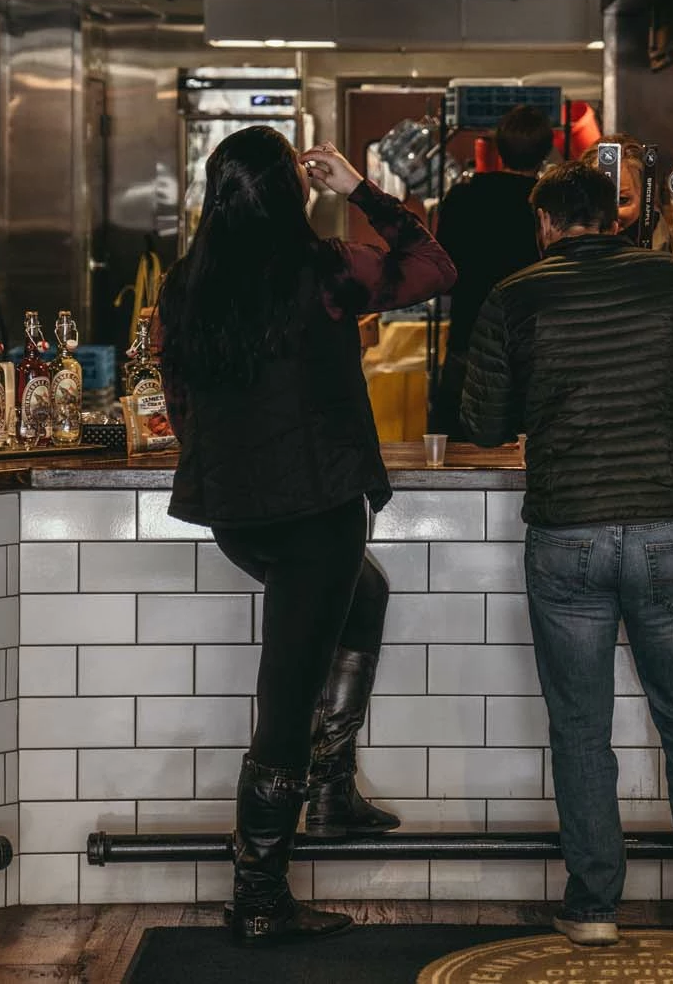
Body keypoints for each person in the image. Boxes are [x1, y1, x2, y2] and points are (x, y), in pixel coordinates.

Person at [157, 129, 456, 945]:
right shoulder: (325, 270)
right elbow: (435, 267)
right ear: (294, 193)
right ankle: (259, 895)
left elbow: (177, 397)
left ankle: (330, 788)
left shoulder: (186, 284)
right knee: (284, 703)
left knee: (366, 593)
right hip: (318, 513)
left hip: (240, 519)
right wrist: (360, 188)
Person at [460, 161, 673, 948]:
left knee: (578, 725)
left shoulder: (513, 294)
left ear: (545, 222)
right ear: (616, 216)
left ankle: (593, 905)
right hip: (666, 527)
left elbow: (483, 421)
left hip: (565, 533)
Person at [430, 105, 552, 438]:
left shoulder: (464, 197)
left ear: (498, 148)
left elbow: (444, 271)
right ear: (546, 151)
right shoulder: (548, 202)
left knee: (462, 449)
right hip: (532, 345)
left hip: (468, 336)